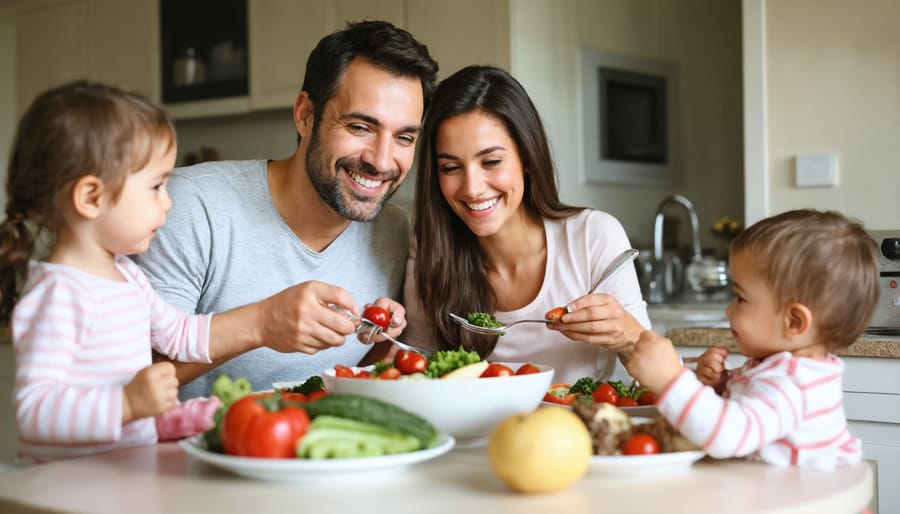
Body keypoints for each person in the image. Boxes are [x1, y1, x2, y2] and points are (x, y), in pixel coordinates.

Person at [131, 20, 439, 398]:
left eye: (404, 137)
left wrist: (378, 341)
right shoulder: (192, 205)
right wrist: (261, 323)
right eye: (360, 127)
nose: (381, 160)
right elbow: (130, 380)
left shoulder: (390, 229)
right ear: (305, 115)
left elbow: (339, 379)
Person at [0, 81, 221, 463]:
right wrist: (127, 403)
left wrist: (267, 324)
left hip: (119, 473)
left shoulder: (126, 275)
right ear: (91, 197)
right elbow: (33, 412)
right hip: (66, 485)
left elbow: (180, 333)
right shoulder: (59, 295)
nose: (167, 202)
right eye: (156, 186)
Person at [402, 65, 650, 384]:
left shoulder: (593, 236)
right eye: (451, 167)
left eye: (491, 162)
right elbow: (418, 368)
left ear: (528, 158)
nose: (472, 188)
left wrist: (628, 336)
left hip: (583, 429)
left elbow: (657, 378)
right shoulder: (430, 248)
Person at [626, 209, 879, 470]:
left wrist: (671, 381)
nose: (729, 310)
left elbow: (728, 436)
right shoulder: (777, 366)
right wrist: (722, 383)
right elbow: (752, 413)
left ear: (794, 322)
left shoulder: (792, 383)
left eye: (741, 298)